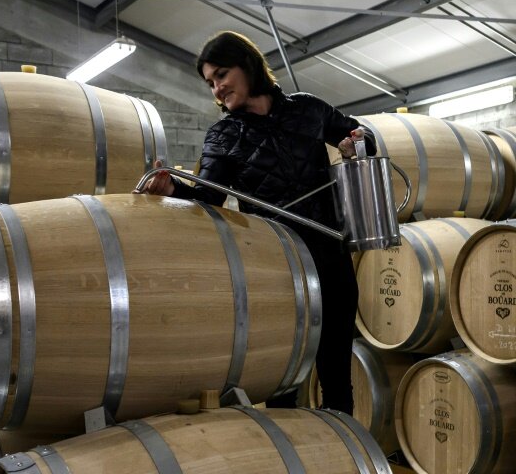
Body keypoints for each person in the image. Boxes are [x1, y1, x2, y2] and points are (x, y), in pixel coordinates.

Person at [139, 31, 377, 415]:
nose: (217, 88)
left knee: (335, 371)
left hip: (329, 255)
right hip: (274, 267)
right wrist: (174, 189)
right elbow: (209, 198)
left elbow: (359, 137)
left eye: (221, 75)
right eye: (210, 82)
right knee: (283, 379)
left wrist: (357, 142)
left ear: (247, 66)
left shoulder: (308, 108)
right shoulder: (223, 134)